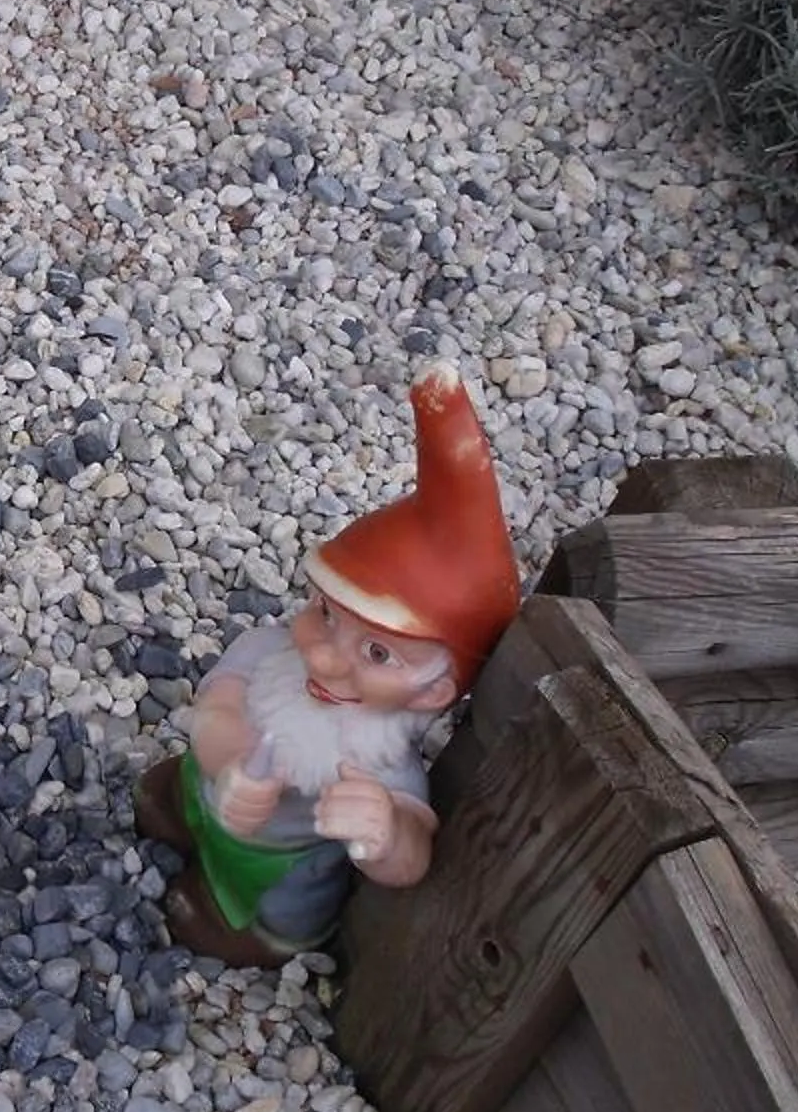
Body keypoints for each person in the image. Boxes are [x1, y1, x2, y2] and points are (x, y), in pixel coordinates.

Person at [136, 363, 523, 965]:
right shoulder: (273, 653)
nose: (320, 654)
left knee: (274, 903)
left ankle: (257, 933)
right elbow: (217, 703)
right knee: (170, 791)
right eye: (326, 614)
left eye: (375, 652)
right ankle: (186, 816)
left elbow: (413, 850)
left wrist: (383, 833)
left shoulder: (383, 760)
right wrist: (228, 756)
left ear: (429, 692)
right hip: (208, 788)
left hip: (278, 863)